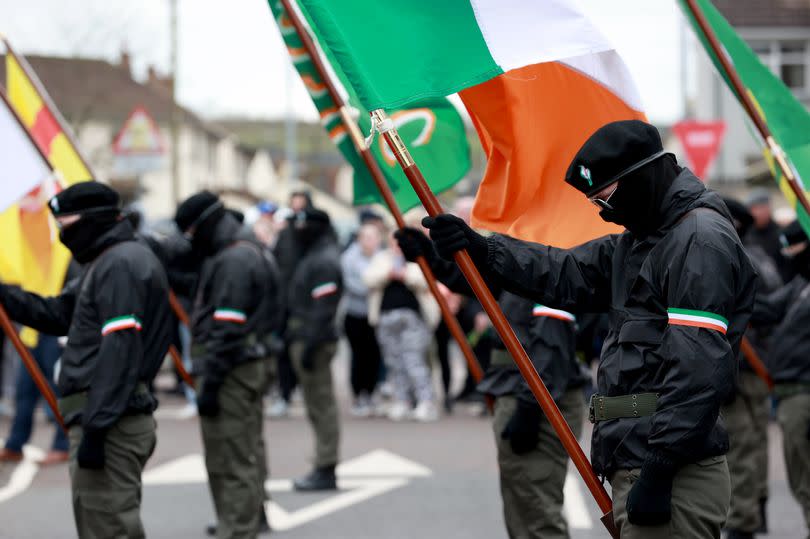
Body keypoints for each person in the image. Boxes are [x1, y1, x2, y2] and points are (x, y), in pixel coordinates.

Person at [421, 120, 757, 537]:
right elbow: (563, 273)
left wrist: (660, 469)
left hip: (672, 472)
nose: (604, 212)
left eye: (606, 197)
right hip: (637, 455)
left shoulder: (697, 239)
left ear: (644, 176)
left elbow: (698, 370)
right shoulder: (641, 240)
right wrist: (483, 249)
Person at [0, 182, 172, 538]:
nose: (63, 233)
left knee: (109, 529)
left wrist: (97, 427)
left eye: (67, 223)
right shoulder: (106, 261)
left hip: (111, 423)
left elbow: (119, 351)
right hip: (105, 418)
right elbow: (59, 313)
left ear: (94, 220)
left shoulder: (122, 263)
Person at [395, 227, 587, 537]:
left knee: (537, 511)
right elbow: (474, 281)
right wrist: (428, 257)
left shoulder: (551, 257)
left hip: (538, 399)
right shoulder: (525, 261)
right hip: (518, 390)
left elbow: (552, 347)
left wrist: (528, 408)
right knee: (520, 508)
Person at [174, 191, 280, 539]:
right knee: (245, 451)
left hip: (232, 369)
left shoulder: (234, 260)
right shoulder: (247, 249)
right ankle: (246, 519)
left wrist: (213, 382)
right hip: (248, 364)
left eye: (190, 233)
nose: (190, 242)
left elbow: (227, 328)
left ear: (203, 226)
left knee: (229, 459)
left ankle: (236, 529)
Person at [720, 198, 781, 539]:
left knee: (741, 443)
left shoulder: (733, 258)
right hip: (757, 366)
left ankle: (743, 520)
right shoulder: (761, 258)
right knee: (755, 441)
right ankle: (757, 507)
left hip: (742, 366)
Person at [750, 220, 810, 537]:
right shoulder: (800, 284)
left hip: (803, 391)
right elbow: (769, 309)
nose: (788, 256)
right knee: (800, 476)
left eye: (794, 248)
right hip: (789, 393)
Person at [286, 207, 343, 491]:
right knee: (316, 405)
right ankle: (323, 462)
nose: (298, 230)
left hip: (315, 341)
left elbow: (324, 309)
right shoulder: (314, 254)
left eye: (303, 224)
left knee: (321, 406)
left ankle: (326, 466)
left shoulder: (323, 260)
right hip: (307, 337)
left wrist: (310, 344)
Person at [364, 231, 440, 422]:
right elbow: (368, 278)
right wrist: (388, 273)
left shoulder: (416, 259)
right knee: (394, 361)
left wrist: (405, 275)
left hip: (412, 317)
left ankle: (425, 402)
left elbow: (426, 281)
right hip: (385, 317)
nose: (396, 247)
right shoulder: (381, 258)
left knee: (413, 360)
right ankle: (401, 401)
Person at [0, 334, 69, 465]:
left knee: (58, 391)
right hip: (33, 334)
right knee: (24, 391)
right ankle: (15, 444)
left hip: (54, 334)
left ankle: (62, 445)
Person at [341, 222, 384, 417]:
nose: (370, 241)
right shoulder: (349, 258)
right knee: (358, 356)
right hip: (355, 314)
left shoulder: (382, 257)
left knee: (375, 356)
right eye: (366, 237)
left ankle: (371, 392)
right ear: (359, 239)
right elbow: (352, 285)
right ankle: (358, 395)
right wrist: (374, 285)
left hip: (376, 315)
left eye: (374, 237)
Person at [746, 189, 794, 283]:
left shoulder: (781, 233)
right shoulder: (746, 235)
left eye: (762, 208)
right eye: (754, 209)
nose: (758, 213)